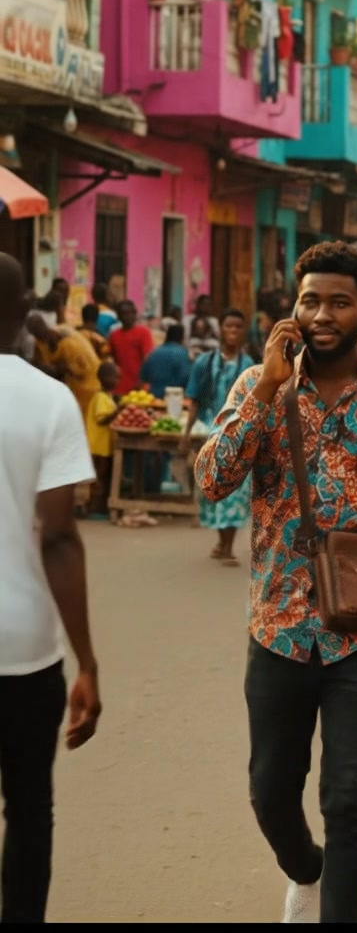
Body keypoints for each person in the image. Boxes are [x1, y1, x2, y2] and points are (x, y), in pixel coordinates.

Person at [194, 241, 357, 925]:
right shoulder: (258, 385)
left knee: (348, 795)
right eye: (310, 300)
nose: (322, 314)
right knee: (269, 790)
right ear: (293, 306)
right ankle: (305, 869)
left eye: (339, 301)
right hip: (277, 627)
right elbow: (213, 478)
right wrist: (271, 388)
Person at [0, 253, 101, 923]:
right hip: (24, 650)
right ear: (22, 312)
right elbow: (59, 535)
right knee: (30, 807)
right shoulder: (46, 399)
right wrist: (88, 663)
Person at [183, 309, 254, 566]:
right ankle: (221, 541)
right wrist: (186, 435)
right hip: (210, 434)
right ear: (221, 330)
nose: (233, 332)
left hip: (239, 436)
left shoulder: (249, 367)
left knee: (236, 489)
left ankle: (228, 546)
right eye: (229, 327)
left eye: (238, 327)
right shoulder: (204, 363)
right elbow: (193, 400)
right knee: (213, 487)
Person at [28, 313, 101, 419]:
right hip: (72, 389)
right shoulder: (40, 342)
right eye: (35, 333)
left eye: (39, 330)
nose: (39, 336)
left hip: (90, 386)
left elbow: (83, 371)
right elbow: (37, 363)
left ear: (44, 326)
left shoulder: (68, 344)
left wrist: (60, 369)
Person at [86, 360, 120, 514]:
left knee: (103, 476)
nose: (117, 381)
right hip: (98, 446)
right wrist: (118, 411)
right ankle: (93, 507)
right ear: (104, 378)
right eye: (114, 377)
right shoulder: (100, 397)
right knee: (99, 478)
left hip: (104, 445)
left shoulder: (107, 396)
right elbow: (101, 420)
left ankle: (98, 506)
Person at [109, 301, 155, 396]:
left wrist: (143, 380)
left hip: (139, 387)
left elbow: (148, 359)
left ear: (135, 314)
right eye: (123, 314)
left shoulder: (144, 333)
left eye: (130, 313)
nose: (127, 317)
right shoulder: (114, 336)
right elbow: (112, 360)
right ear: (119, 316)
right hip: (119, 388)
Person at [140, 324, 192, 400]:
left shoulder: (154, 352)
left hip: (153, 397)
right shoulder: (182, 353)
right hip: (173, 398)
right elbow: (185, 376)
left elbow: (144, 375)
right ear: (182, 337)